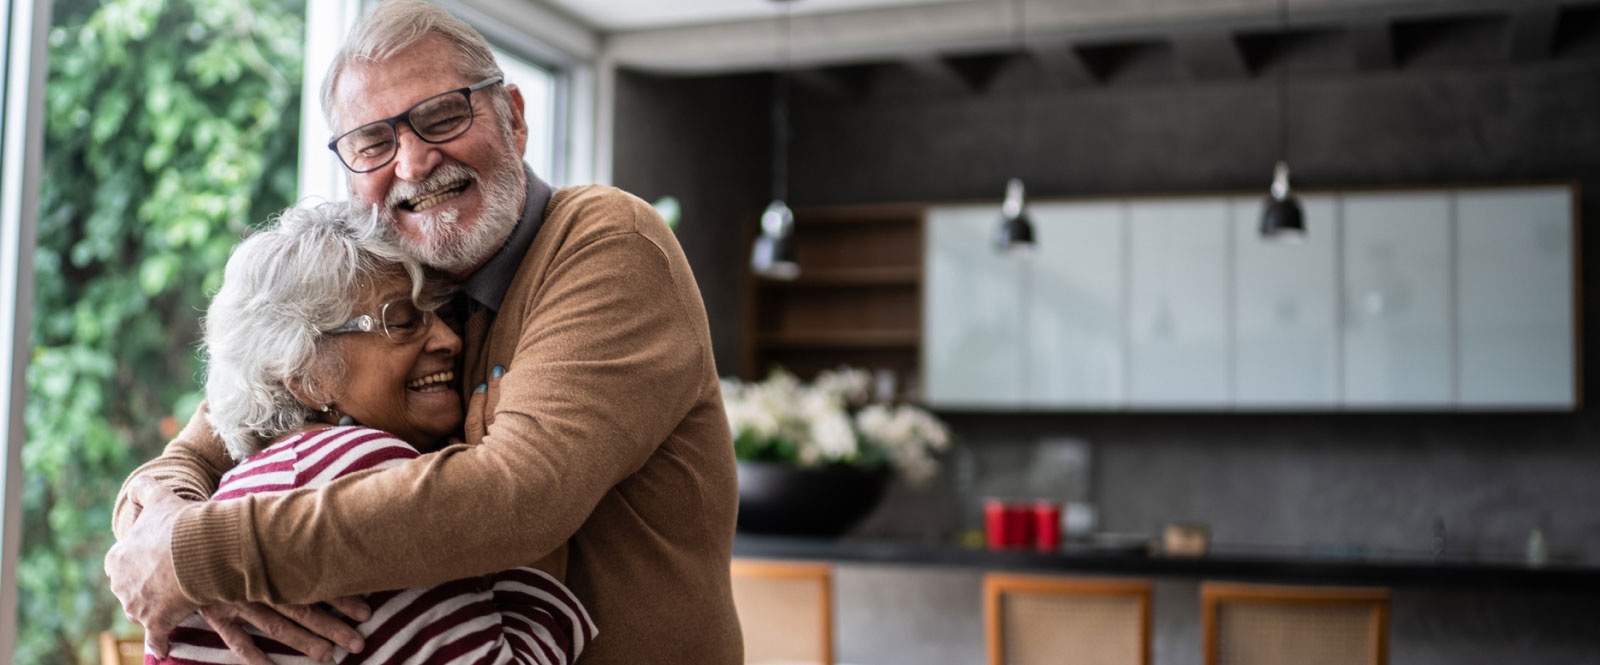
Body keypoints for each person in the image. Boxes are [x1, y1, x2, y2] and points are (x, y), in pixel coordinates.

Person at [104, 1, 742, 664]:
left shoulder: (605, 241)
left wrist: (205, 554)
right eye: (373, 143)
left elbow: (518, 496)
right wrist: (160, 521)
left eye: (442, 115)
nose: (412, 162)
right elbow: (224, 424)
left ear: (515, 118)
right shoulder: (388, 281)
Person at [153, 202, 594, 665]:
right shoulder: (359, 462)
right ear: (307, 376)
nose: (450, 340)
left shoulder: (242, 486)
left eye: (443, 313)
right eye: (402, 321)